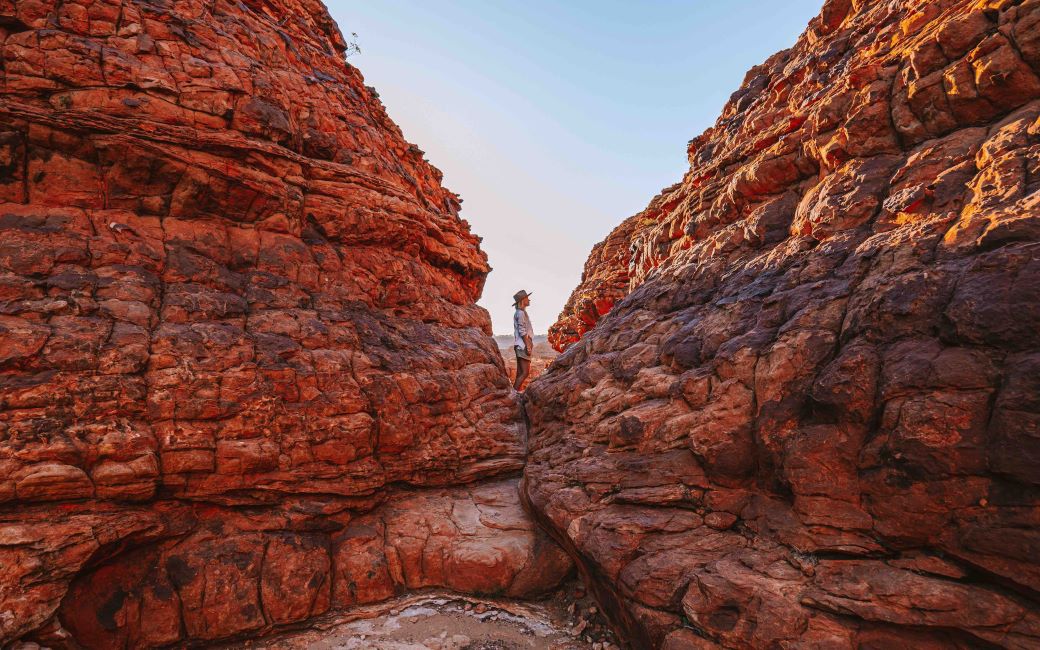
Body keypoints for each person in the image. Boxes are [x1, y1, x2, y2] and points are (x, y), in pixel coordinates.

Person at [512, 290, 533, 392]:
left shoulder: (521, 312)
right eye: (527, 298)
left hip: (520, 345)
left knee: (520, 374)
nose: (529, 300)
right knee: (525, 373)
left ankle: (514, 396)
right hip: (522, 346)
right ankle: (513, 396)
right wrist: (528, 345)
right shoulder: (520, 313)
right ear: (522, 300)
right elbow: (522, 331)